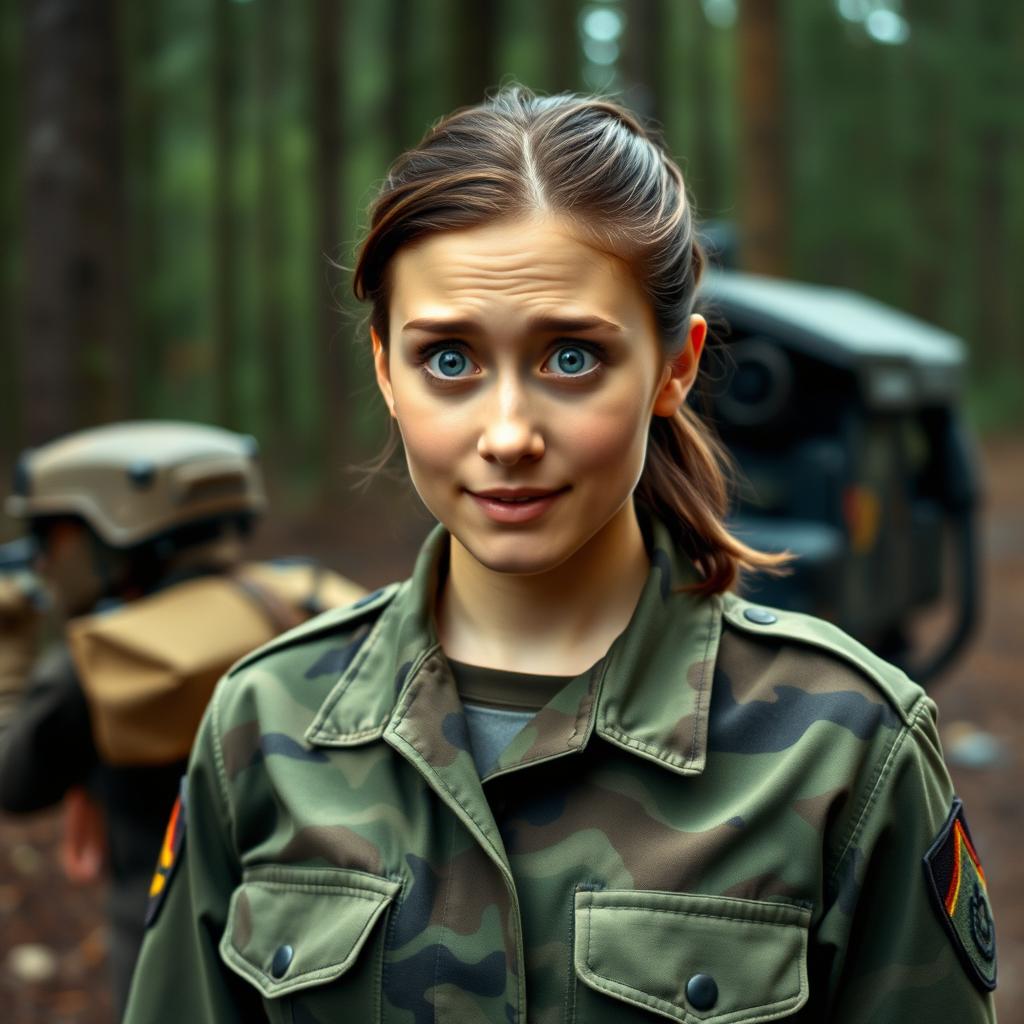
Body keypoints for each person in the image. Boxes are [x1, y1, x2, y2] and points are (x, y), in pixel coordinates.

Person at [124, 90, 997, 1023]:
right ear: (385, 368)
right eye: (449, 360)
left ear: (675, 367)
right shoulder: (263, 725)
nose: (507, 434)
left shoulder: (844, 750)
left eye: (571, 358)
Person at [0, 420, 364, 1015]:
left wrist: (9, 650)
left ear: (111, 533)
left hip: (160, 955)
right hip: (316, 951)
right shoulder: (310, 602)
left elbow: (13, 783)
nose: (42, 560)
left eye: (51, 535)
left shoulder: (93, 663)